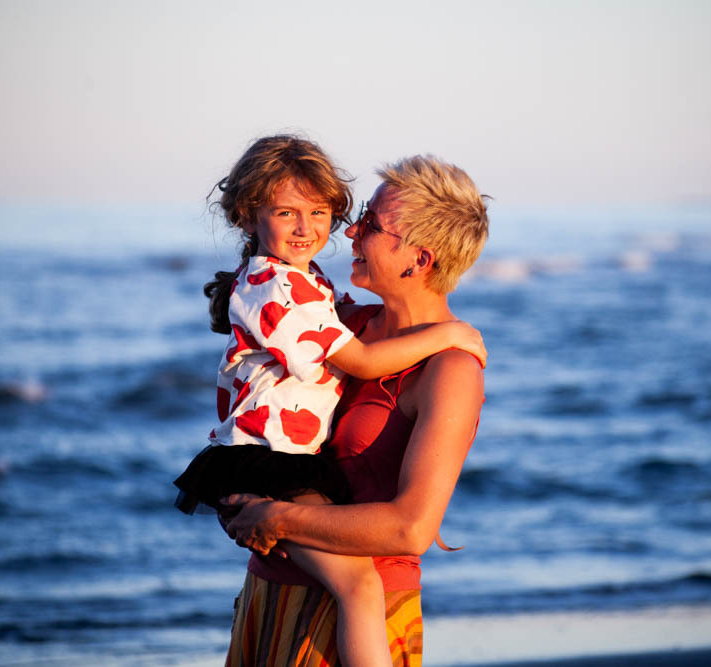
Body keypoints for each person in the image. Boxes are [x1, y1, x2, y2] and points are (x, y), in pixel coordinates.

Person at [173, 136, 486, 667]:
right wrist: (245, 506)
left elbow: (411, 528)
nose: (350, 231)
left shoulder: (450, 369)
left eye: (370, 224)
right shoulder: (348, 323)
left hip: (360, 619)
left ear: (419, 258)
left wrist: (277, 516)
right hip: (273, 594)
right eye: (359, 215)